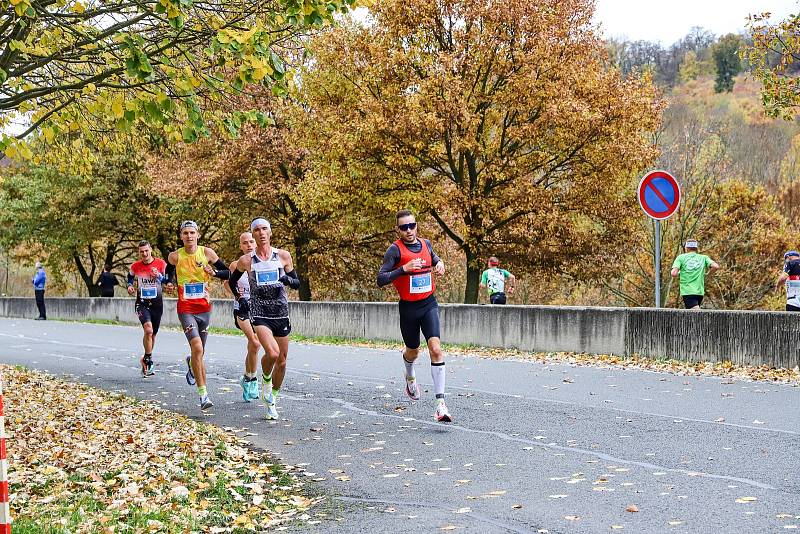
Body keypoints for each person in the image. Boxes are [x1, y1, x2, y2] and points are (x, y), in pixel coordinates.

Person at [377, 210, 452, 423]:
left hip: (429, 303)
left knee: (436, 349)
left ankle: (440, 404)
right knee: (413, 351)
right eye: (404, 227)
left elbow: (436, 260)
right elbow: (380, 279)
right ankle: (410, 375)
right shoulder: (394, 250)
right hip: (408, 309)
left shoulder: (426, 244)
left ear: (416, 225)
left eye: (412, 225)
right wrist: (403, 269)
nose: (409, 230)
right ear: (397, 229)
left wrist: (440, 264)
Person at [228, 218, 300, 420]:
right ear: (253, 234)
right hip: (259, 312)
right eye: (257, 230)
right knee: (273, 354)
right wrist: (240, 298)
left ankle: (272, 399)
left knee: (283, 362)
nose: (261, 233)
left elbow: (297, 283)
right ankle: (266, 379)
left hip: (280, 311)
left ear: (270, 232)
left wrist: (288, 279)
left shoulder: (283, 256)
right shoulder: (247, 261)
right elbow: (232, 282)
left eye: (264, 229)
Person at [165, 221, 231, 410]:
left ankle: (191, 363)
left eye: (192, 232)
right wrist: (169, 283)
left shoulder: (207, 253)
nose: (189, 236)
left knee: (199, 353)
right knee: (197, 348)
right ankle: (203, 396)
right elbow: (167, 274)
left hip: (205, 309)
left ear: (198, 235)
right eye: (185, 233)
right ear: (181, 236)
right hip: (186, 308)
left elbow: (228, 272)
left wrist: (215, 272)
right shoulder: (175, 256)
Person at [227, 232, 261, 402]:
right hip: (241, 309)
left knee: (253, 347)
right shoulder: (236, 265)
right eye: (245, 243)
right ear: (241, 246)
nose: (248, 245)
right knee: (255, 342)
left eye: (251, 242)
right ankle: (253, 380)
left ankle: (247, 378)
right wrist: (238, 296)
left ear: (256, 243)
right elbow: (227, 283)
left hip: (258, 309)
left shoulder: (262, 264)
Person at [127, 241, 168, 377]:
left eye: (146, 251)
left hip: (157, 305)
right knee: (148, 330)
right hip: (142, 304)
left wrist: (160, 277)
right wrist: (130, 286)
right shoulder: (135, 266)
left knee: (152, 334)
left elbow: (168, 282)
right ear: (139, 252)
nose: (144, 254)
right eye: (141, 252)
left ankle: (146, 358)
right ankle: (149, 361)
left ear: (151, 250)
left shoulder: (161, 264)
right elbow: (130, 277)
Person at [670, 239, 719, 309]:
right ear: (696, 248)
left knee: (695, 313)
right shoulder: (703, 258)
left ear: (686, 248)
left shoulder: (681, 257)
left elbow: (673, 273)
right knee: (692, 315)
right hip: (700, 292)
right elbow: (716, 266)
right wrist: (708, 274)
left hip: (688, 291)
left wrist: (680, 272)